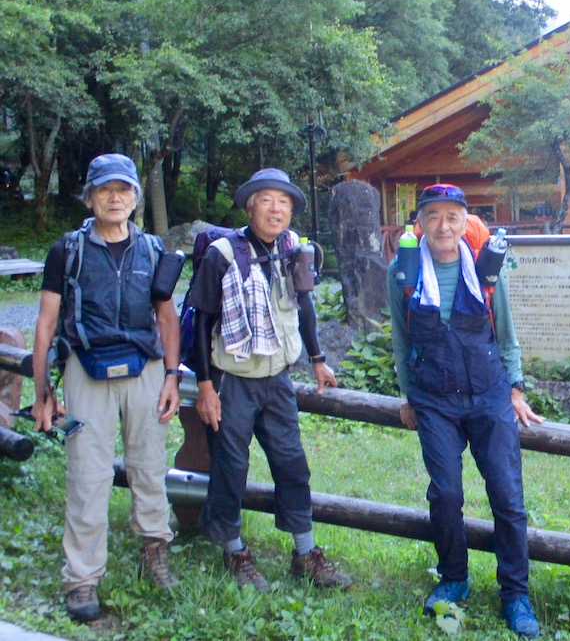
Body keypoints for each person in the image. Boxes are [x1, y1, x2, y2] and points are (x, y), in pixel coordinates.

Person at [388, 183, 544, 638]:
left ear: (464, 221)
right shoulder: (403, 270)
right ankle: (453, 577)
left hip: (489, 392)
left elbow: (506, 332)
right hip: (434, 398)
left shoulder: (484, 266)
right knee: (446, 494)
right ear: (420, 222)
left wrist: (515, 389)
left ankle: (515, 593)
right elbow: (401, 338)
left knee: (507, 496)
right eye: (433, 216)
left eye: (452, 217)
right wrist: (408, 394)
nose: (443, 226)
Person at [31, 153, 181, 623]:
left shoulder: (153, 250)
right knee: (87, 473)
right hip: (86, 366)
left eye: (123, 189)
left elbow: (167, 317)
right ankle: (81, 577)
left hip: (145, 369)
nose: (115, 198)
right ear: (90, 197)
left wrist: (172, 376)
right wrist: (42, 391)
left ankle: (154, 550)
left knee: (149, 466)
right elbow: (46, 322)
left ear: (135, 198)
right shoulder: (67, 251)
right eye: (105, 190)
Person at [186, 168, 351, 592]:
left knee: (292, 463)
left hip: (277, 379)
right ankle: (235, 552)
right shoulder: (223, 254)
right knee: (230, 467)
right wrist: (205, 387)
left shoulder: (293, 248)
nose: (275, 209)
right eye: (266, 200)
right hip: (232, 378)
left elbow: (305, 305)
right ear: (250, 206)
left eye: (284, 202)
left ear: (291, 210)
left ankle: (305, 554)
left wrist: (318, 360)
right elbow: (201, 320)